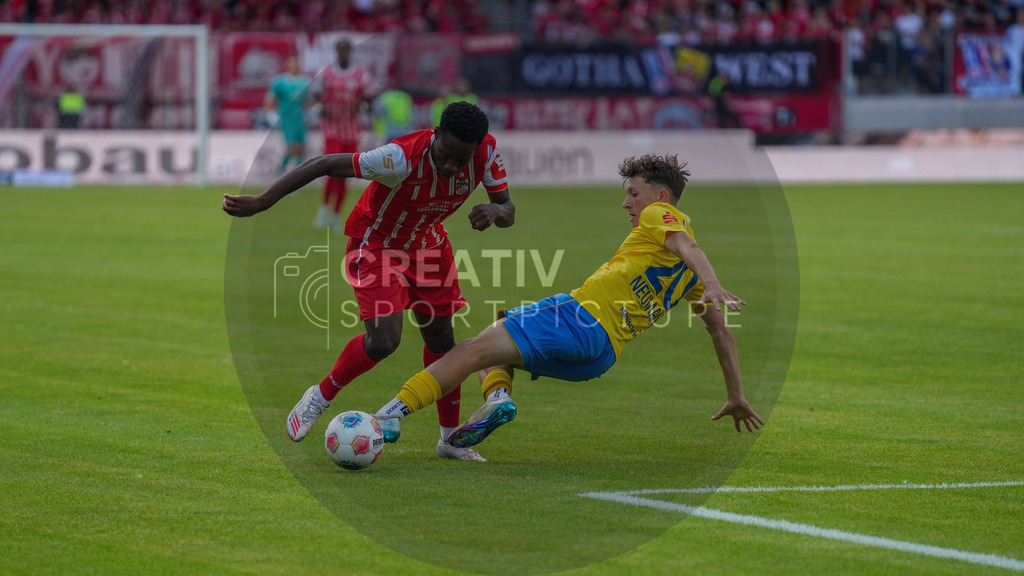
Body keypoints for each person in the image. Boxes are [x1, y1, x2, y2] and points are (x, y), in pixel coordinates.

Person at [368, 153, 763, 454]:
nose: (626, 204)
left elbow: (686, 243)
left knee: (470, 350)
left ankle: (387, 416)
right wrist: (736, 395)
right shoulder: (689, 276)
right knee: (503, 326)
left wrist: (713, 281)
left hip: (578, 318)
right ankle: (496, 400)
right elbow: (720, 332)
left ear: (660, 197)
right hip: (601, 356)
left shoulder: (662, 214)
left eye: (633, 194)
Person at [222, 101, 515, 461]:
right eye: (445, 156)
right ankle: (320, 396)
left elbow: (508, 210)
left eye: (461, 160)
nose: (451, 166)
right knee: (384, 340)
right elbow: (324, 163)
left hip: (429, 247)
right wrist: (264, 201)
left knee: (442, 340)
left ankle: (449, 440)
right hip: (375, 245)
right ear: (435, 135)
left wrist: (496, 210)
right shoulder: (398, 158)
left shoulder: (486, 154)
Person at [314, 39, 375, 232]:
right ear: (336, 52)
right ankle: (324, 208)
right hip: (332, 130)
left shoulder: (361, 75)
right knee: (331, 169)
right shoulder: (326, 74)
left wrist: (362, 106)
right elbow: (316, 97)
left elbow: (369, 101)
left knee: (345, 174)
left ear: (350, 52)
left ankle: (336, 215)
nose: (343, 54)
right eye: (340, 50)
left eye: (346, 50)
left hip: (351, 131)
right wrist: (320, 108)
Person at [265, 55, 311, 175]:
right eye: (292, 63)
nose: (294, 66)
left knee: (301, 149)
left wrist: (312, 112)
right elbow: (270, 99)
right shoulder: (280, 82)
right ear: (287, 65)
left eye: (296, 63)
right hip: (287, 119)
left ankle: (298, 178)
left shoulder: (304, 82)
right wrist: (271, 114)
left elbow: (307, 102)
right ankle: (280, 172)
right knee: (291, 148)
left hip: (300, 119)